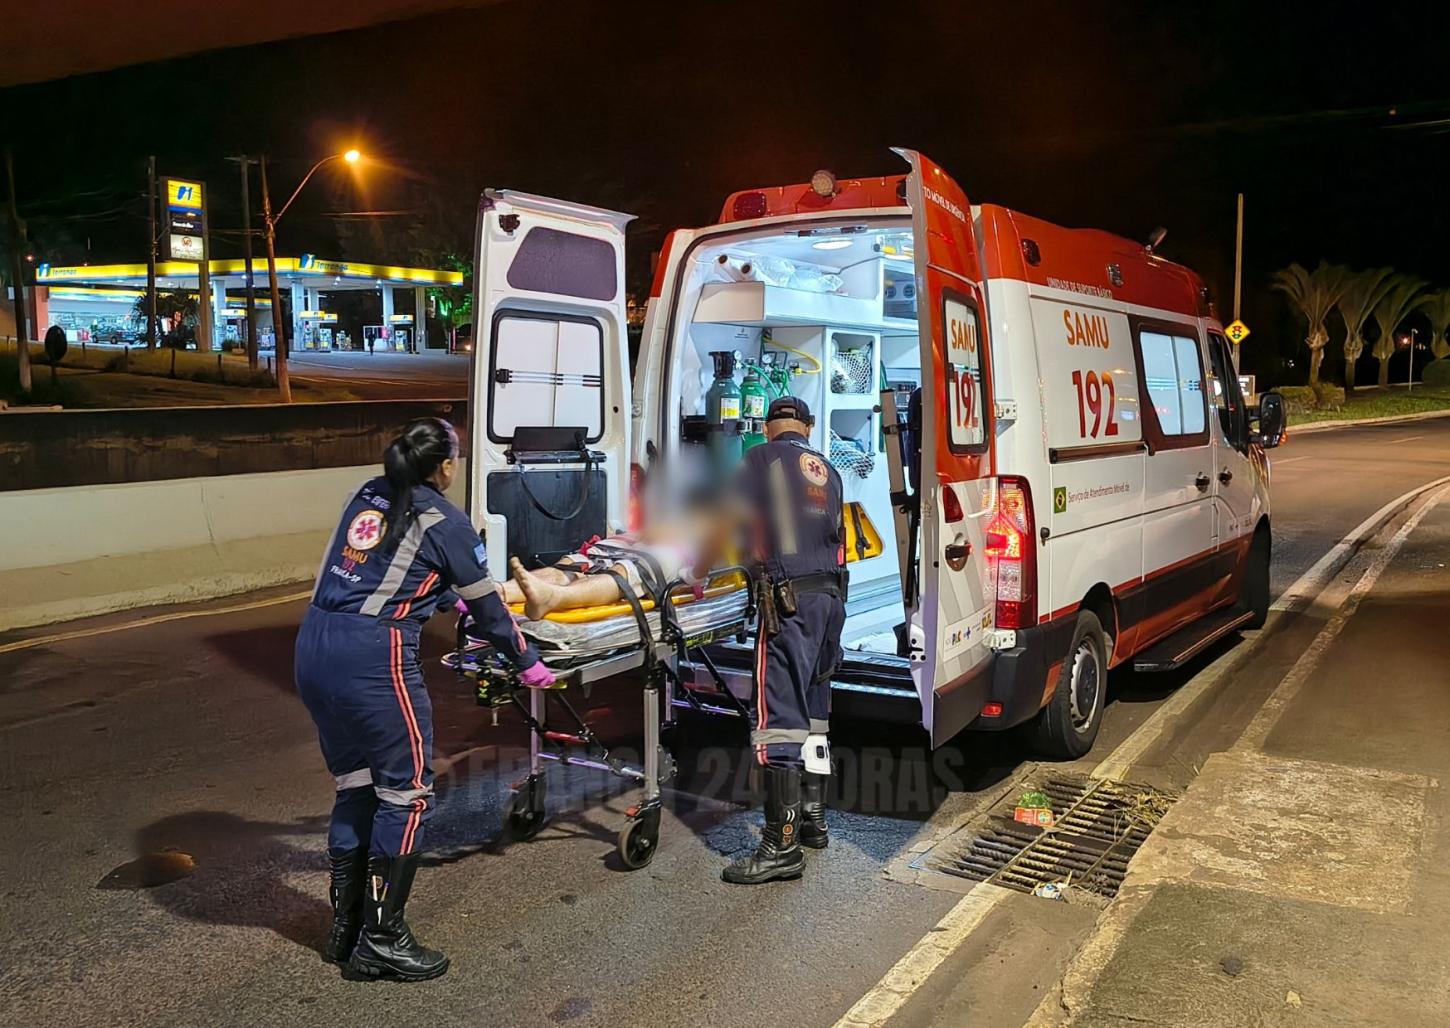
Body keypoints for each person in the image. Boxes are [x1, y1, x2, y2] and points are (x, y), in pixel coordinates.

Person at [294, 417, 555, 981]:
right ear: (445, 466)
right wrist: (527, 662)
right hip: (372, 658)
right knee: (406, 793)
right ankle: (383, 939)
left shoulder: (365, 495)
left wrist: (443, 595)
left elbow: (384, 571)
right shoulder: (444, 519)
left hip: (314, 645)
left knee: (357, 784)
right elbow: (490, 612)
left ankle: (347, 926)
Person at [696, 396, 846, 885]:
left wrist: (698, 572)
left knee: (779, 719)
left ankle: (781, 846)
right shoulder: (827, 468)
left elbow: (726, 519)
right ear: (809, 425)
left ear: (766, 427)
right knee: (815, 711)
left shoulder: (759, 459)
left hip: (790, 605)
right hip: (831, 601)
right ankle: (813, 817)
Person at [505, 523, 707, 620]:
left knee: (626, 571)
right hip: (634, 540)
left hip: (680, 551)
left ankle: (554, 597)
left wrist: (694, 576)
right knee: (576, 563)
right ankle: (501, 591)